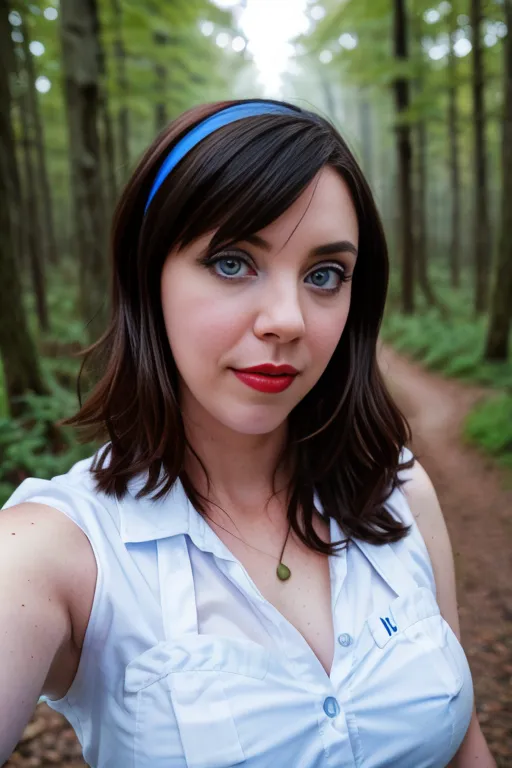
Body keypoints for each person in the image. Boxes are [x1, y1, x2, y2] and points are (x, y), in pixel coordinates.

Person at [0, 99, 495, 768]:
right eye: (233, 261)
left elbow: (459, 736)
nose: (288, 320)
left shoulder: (400, 489)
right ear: (150, 277)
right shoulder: (54, 553)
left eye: (325, 276)